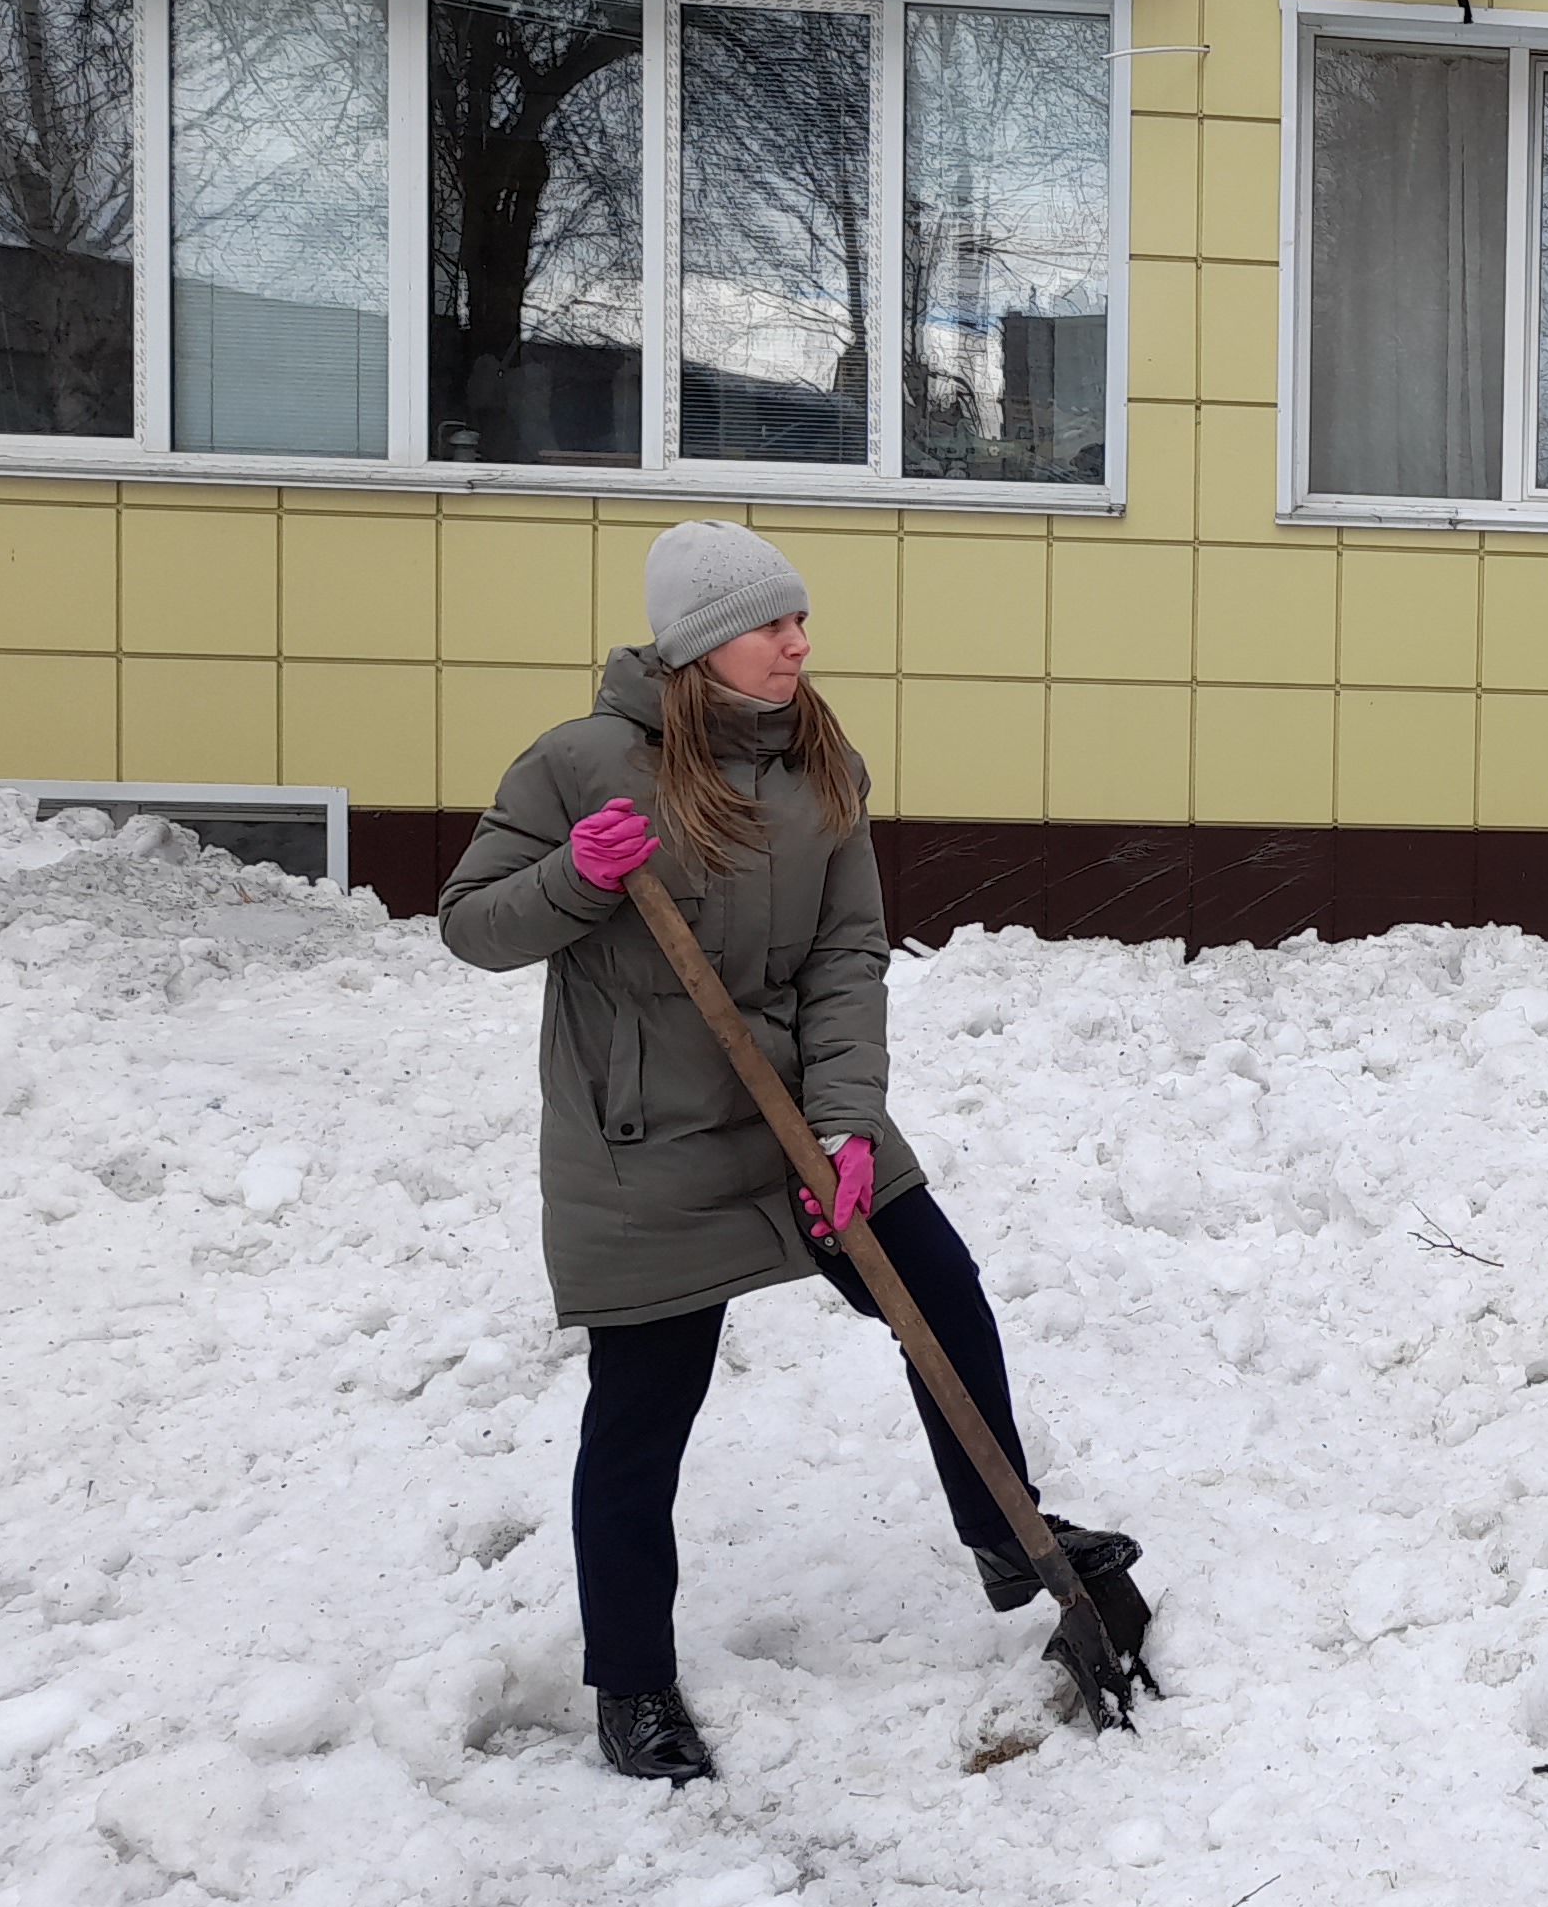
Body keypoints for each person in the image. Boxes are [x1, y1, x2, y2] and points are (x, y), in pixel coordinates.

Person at [442, 521, 1138, 1785]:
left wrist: (848, 1123)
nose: (799, 644)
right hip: (645, 1142)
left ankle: (1005, 1532)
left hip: (799, 1114)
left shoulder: (819, 761)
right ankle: (632, 1683)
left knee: (941, 1294)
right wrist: (575, 880)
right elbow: (471, 926)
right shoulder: (579, 764)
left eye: (799, 619)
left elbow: (845, 954)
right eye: (772, 625)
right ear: (701, 644)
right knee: (643, 1413)